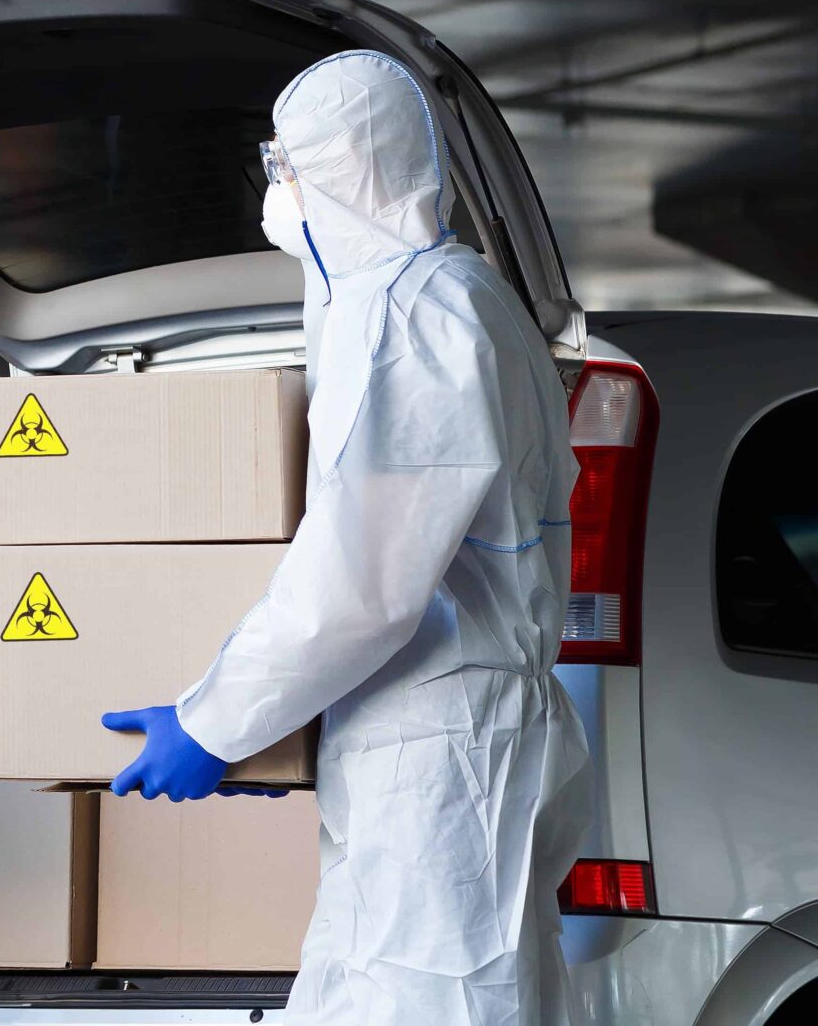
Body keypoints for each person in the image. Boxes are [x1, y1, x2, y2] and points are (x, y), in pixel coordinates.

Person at [102, 50, 592, 1025]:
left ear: (337, 169)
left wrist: (217, 723)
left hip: (440, 754)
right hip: (438, 736)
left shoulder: (411, 314)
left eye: (284, 167)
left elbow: (361, 583)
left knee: (427, 999)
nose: (275, 191)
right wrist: (282, 731)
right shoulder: (458, 297)